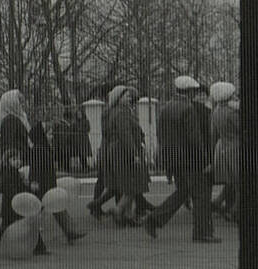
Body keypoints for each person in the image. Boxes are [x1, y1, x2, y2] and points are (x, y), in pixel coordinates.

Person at [144, 76, 217, 243]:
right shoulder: (188, 108)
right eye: (194, 91)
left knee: (182, 192)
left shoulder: (165, 108)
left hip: (174, 158)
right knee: (201, 195)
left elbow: (161, 136)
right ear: (190, 91)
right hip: (191, 159)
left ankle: (154, 219)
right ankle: (202, 232)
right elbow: (195, 139)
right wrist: (205, 161)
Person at [92, 85, 149, 228]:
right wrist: (134, 154)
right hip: (124, 151)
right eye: (126, 95)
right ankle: (118, 210)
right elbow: (126, 135)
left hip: (119, 151)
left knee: (129, 183)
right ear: (118, 97)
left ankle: (128, 215)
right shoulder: (122, 112)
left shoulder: (118, 111)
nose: (129, 97)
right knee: (133, 183)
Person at [0, 146, 47, 256]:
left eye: (18, 159)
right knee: (4, 229)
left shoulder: (15, 172)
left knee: (28, 223)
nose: (17, 161)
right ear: (7, 161)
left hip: (16, 204)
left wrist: (28, 187)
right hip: (11, 206)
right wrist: (23, 193)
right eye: (14, 159)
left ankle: (40, 247)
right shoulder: (7, 173)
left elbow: (21, 187)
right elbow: (7, 189)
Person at [30, 117, 85, 242]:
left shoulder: (44, 148)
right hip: (42, 185)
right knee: (36, 211)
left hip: (48, 184)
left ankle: (70, 232)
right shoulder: (39, 149)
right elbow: (35, 167)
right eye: (49, 134)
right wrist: (34, 181)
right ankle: (27, 235)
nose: (52, 136)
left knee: (58, 207)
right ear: (41, 135)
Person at [209, 82, 240, 223]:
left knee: (231, 182)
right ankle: (235, 211)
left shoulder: (216, 111)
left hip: (222, 148)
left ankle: (216, 203)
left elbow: (213, 134)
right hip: (236, 148)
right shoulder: (232, 112)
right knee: (241, 183)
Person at [72, 106, 93, 172]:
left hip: (84, 139)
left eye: (80, 114)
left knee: (84, 153)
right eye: (78, 114)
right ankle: (84, 167)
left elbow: (88, 129)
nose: (79, 115)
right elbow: (73, 130)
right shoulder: (75, 122)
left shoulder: (86, 121)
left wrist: (81, 130)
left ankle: (86, 166)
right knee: (80, 153)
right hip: (77, 140)